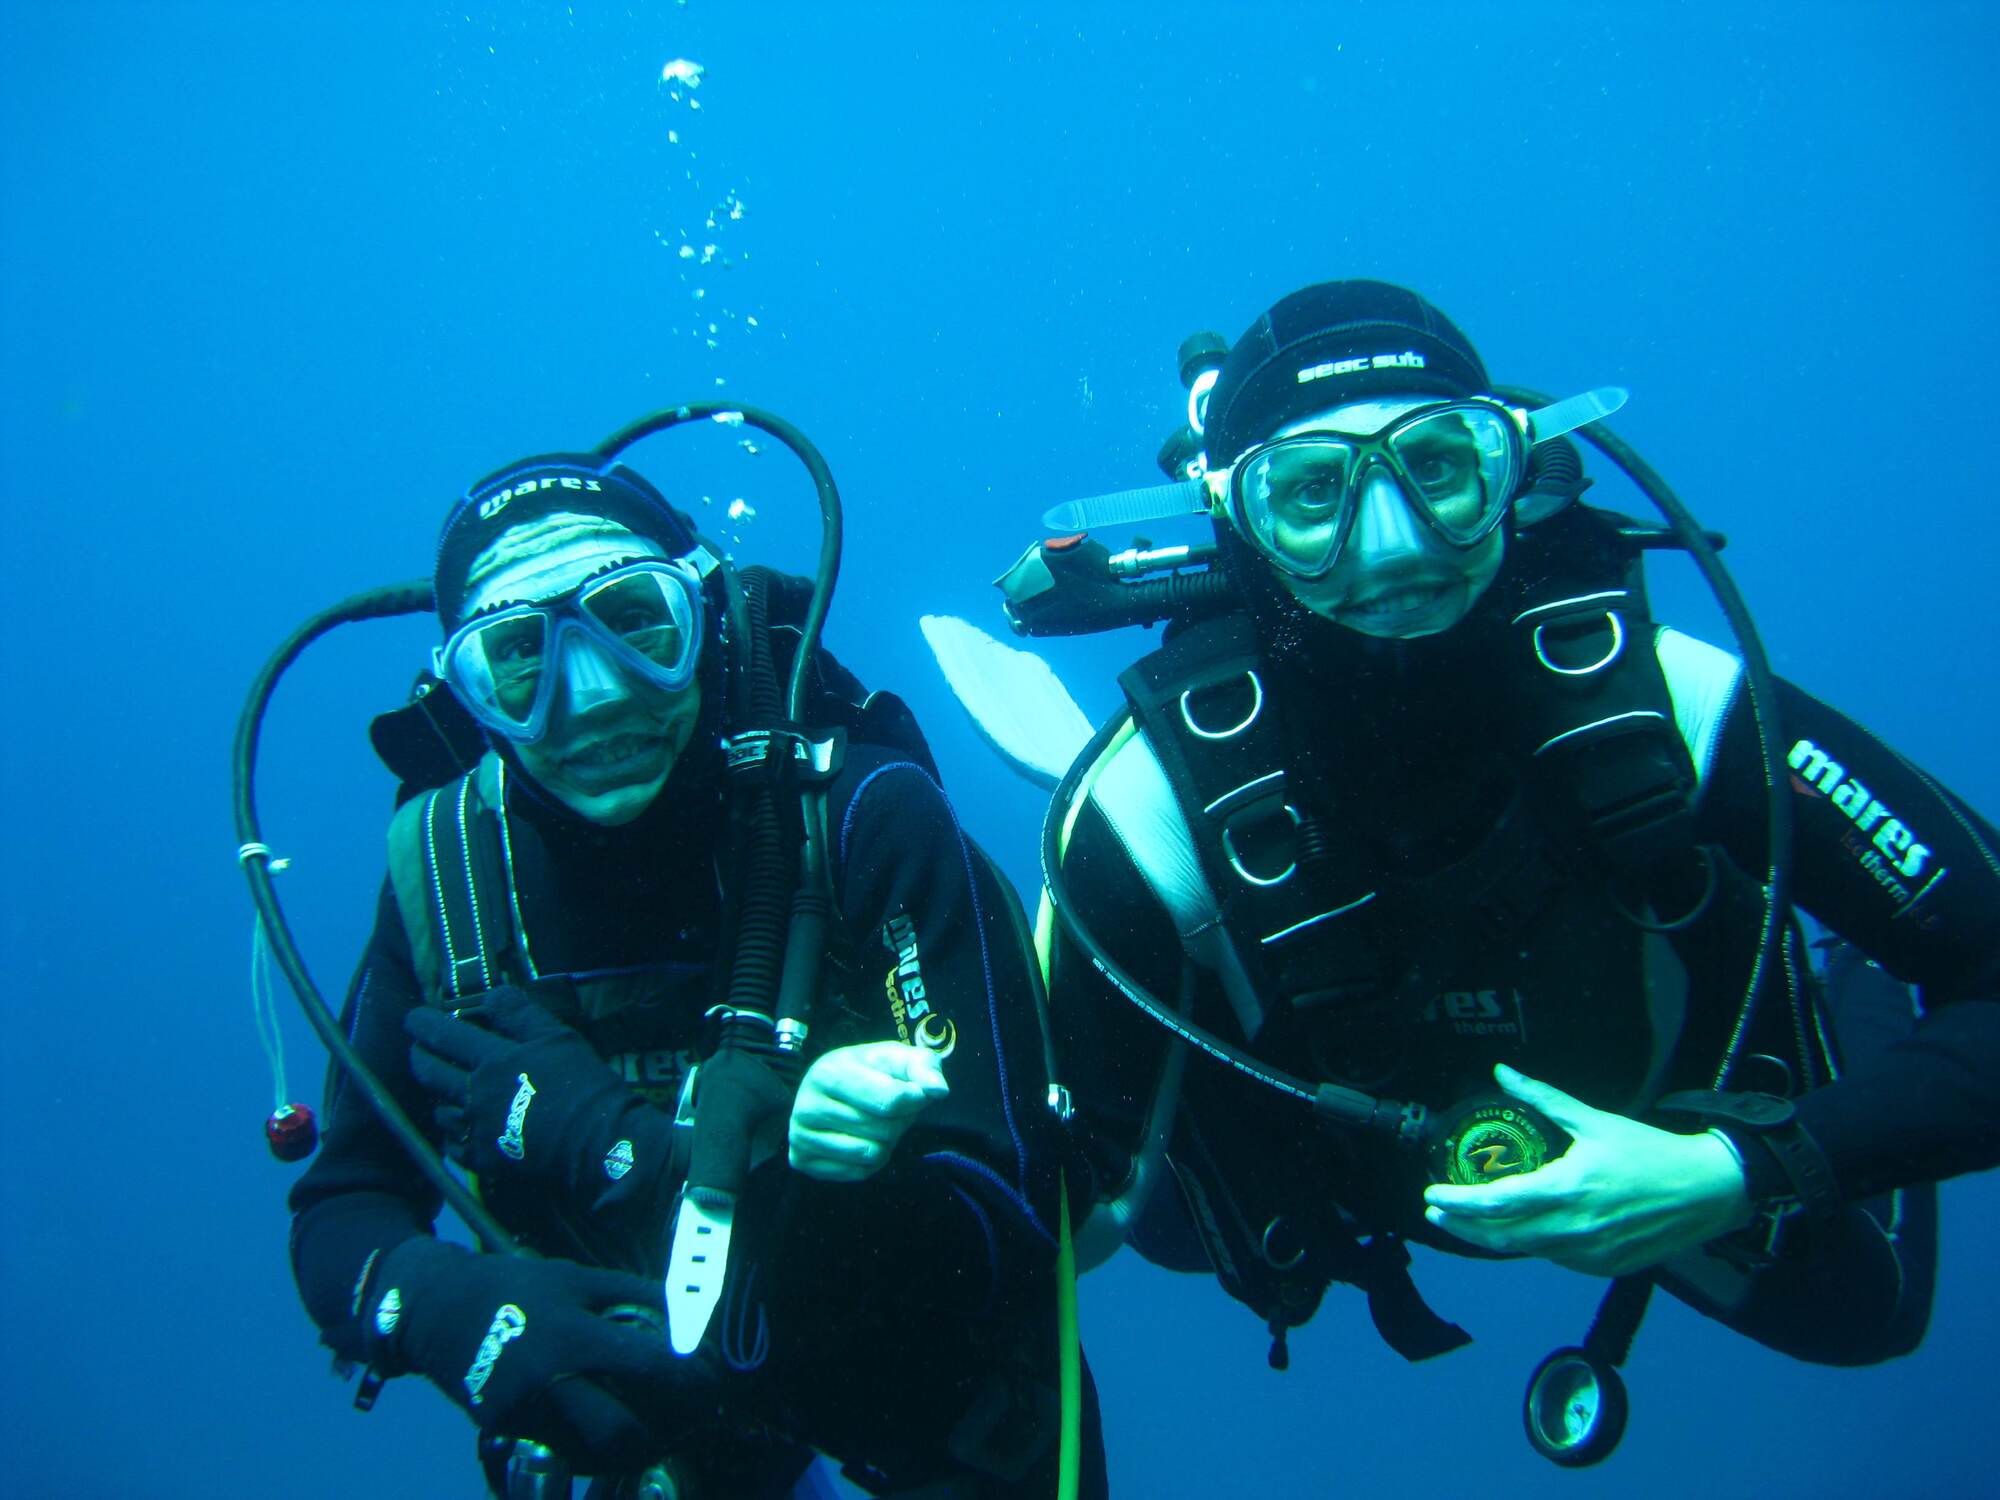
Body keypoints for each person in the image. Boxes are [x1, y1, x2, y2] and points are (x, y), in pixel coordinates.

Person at [951, 279, 2000, 1456]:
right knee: (1169, 1231)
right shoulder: (1140, 810)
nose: (1393, 550)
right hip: (1346, 1157)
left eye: (1438, 469)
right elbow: (1062, 1197)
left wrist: (1735, 1169)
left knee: (1865, 1312)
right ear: (1236, 520)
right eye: (1311, 492)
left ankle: (1846, 963)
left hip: (1666, 1136)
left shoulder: (1676, 705)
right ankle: (1156, 936)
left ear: (1511, 469)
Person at [285, 442, 1104, 1498]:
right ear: (463, 697)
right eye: (518, 659)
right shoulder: (444, 877)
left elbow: (1011, 1231)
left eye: (635, 622)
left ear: (705, 616)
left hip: (929, 1418)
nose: (589, 701)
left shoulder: (857, 818)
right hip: (652, 1450)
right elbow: (345, 1209)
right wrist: (441, 1308)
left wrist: (620, 1146)